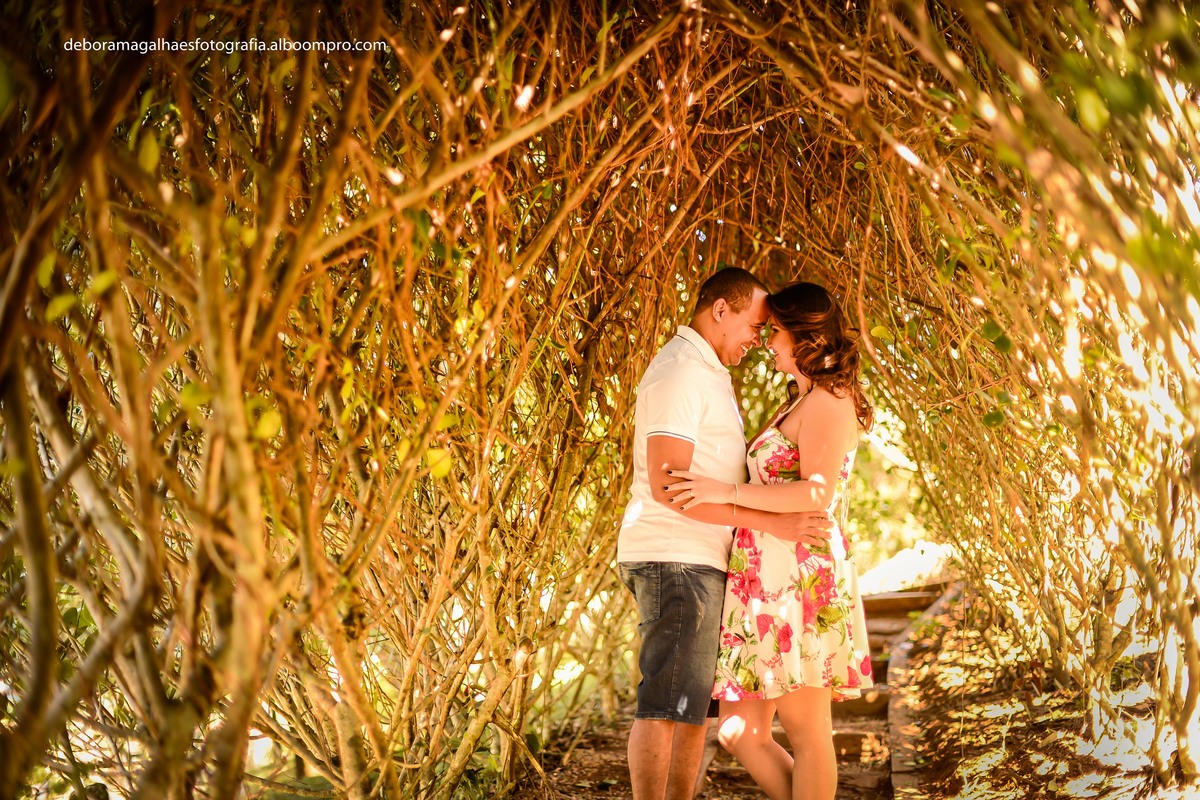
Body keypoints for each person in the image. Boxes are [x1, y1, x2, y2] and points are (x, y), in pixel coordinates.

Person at [617, 269, 835, 800]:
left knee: (690, 707)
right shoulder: (680, 372)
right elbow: (669, 488)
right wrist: (770, 522)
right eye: (756, 326)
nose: (759, 340)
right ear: (721, 310)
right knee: (667, 704)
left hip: (701, 558)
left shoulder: (708, 372)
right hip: (675, 555)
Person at [667, 281, 874, 800]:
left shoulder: (829, 400)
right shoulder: (801, 401)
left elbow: (818, 493)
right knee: (739, 731)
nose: (766, 340)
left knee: (807, 733)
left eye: (775, 330)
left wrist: (724, 491)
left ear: (804, 336)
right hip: (762, 575)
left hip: (799, 577)